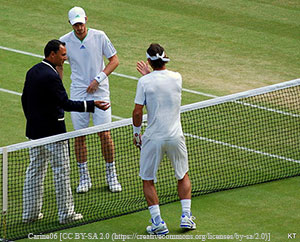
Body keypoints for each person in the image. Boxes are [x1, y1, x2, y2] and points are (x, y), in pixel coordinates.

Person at [21, 39, 110, 224]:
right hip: (55, 134)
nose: (65, 58)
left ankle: (29, 214)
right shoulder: (51, 76)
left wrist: (33, 122)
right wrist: (92, 104)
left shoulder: (33, 71)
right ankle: (66, 214)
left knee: (34, 172)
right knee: (61, 172)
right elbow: (66, 104)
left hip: (34, 134)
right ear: (52, 54)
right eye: (62, 55)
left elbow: (24, 99)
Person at [132, 43, 196, 235]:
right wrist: (149, 75)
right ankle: (186, 216)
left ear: (149, 61)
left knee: (148, 180)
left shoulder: (144, 82)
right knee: (182, 174)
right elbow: (161, 86)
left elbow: (137, 112)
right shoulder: (177, 78)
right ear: (165, 58)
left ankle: (158, 222)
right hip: (175, 137)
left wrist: (136, 133)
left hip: (153, 138)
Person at [59, 6, 121, 193]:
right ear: (71, 24)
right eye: (76, 24)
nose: (79, 27)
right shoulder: (63, 42)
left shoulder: (100, 36)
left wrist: (98, 79)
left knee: (105, 135)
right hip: (78, 93)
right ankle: (84, 177)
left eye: (81, 23)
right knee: (80, 137)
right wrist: (58, 87)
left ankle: (112, 175)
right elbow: (59, 65)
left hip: (100, 92)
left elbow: (114, 60)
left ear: (86, 19)